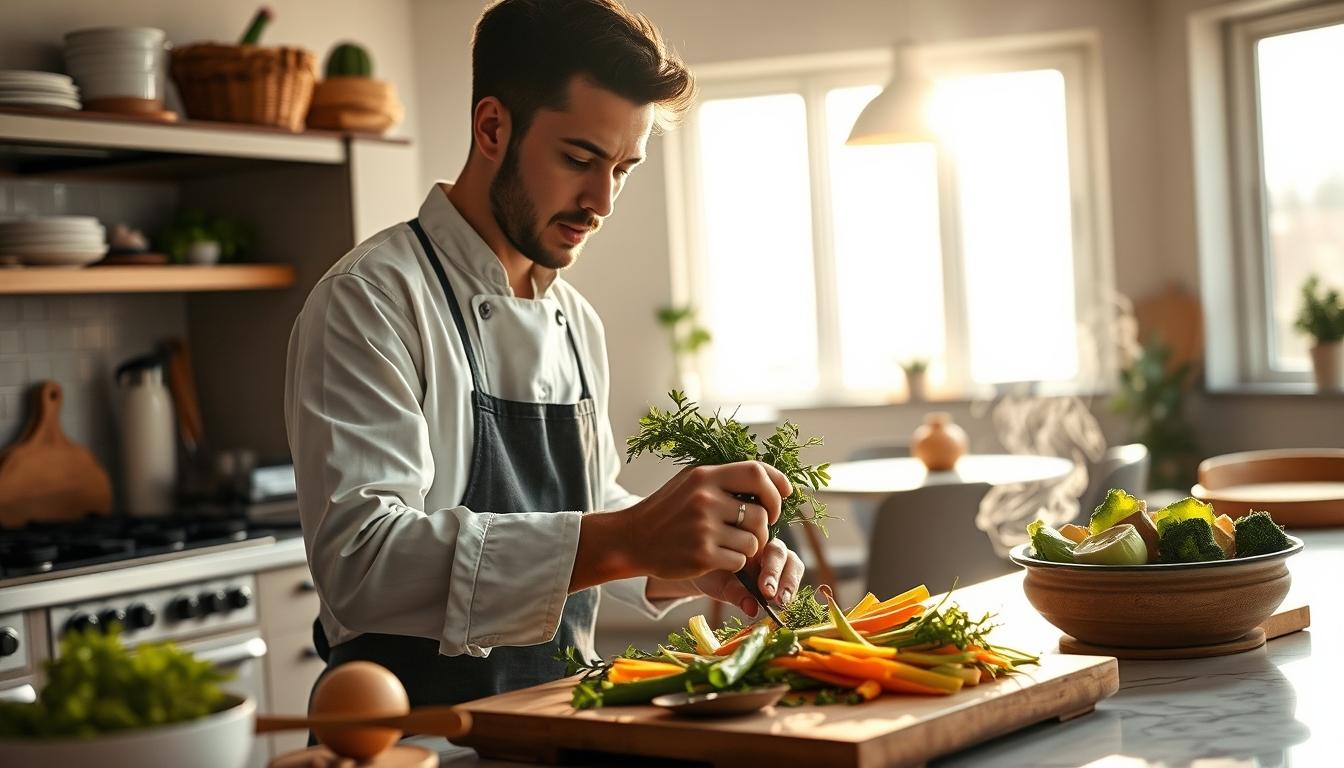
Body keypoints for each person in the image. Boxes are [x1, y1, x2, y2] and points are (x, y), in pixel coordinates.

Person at [284, 0, 806, 707]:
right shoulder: (371, 299)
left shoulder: (575, 320)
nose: (603, 200)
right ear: (493, 126)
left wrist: (683, 565)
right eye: (579, 159)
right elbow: (364, 563)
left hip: (558, 722)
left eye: (623, 168)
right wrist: (626, 537)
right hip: (410, 739)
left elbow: (587, 510)